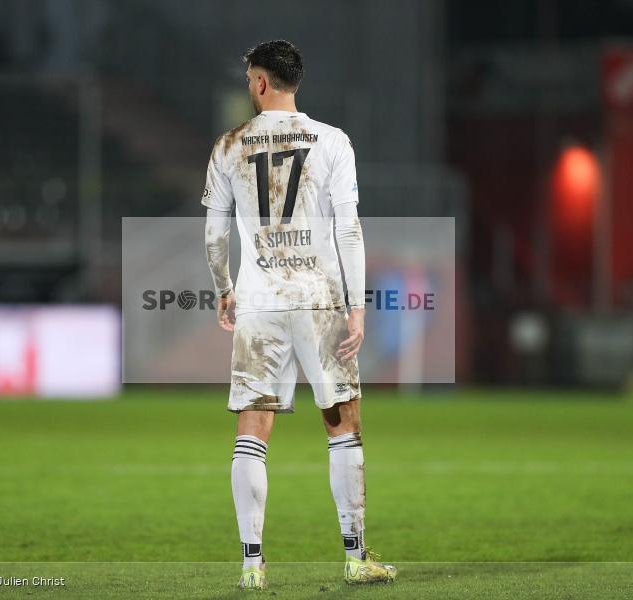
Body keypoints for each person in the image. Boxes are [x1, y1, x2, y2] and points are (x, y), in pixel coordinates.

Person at [202, 40, 396, 589]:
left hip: (260, 301)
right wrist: (357, 307)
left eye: (248, 80)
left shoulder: (229, 145)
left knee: (253, 429)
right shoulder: (332, 141)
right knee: (342, 423)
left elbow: (215, 233)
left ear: (261, 82)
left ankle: (251, 566)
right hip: (319, 298)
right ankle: (357, 558)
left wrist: (223, 289)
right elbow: (348, 229)